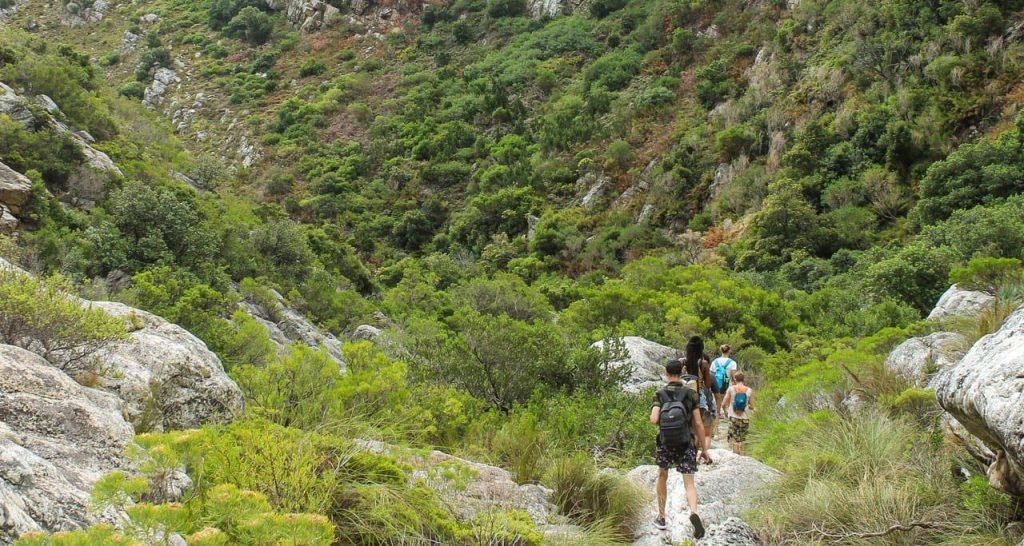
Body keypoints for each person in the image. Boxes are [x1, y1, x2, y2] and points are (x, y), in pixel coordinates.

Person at [650, 357, 712, 538]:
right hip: (686, 442)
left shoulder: (660, 394)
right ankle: (693, 512)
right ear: (682, 371)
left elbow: (654, 419)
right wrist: (704, 449)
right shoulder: (690, 394)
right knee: (689, 482)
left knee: (662, 475)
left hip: (665, 443)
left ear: (666, 373)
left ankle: (661, 517)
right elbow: (699, 423)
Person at [721, 371, 754, 455]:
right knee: (743, 439)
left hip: (733, 417)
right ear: (744, 379)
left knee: (734, 439)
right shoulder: (749, 390)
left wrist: (725, 412)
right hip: (745, 418)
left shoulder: (731, 389)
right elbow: (752, 406)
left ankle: (736, 456)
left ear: (735, 379)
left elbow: (723, 404)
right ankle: (742, 455)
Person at [709, 344, 738, 438]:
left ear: (721, 351)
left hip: (716, 388)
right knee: (728, 408)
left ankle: (716, 432)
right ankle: (730, 430)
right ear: (729, 351)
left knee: (717, 410)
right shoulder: (732, 363)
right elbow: (734, 377)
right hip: (728, 388)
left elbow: (711, 376)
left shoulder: (715, 362)